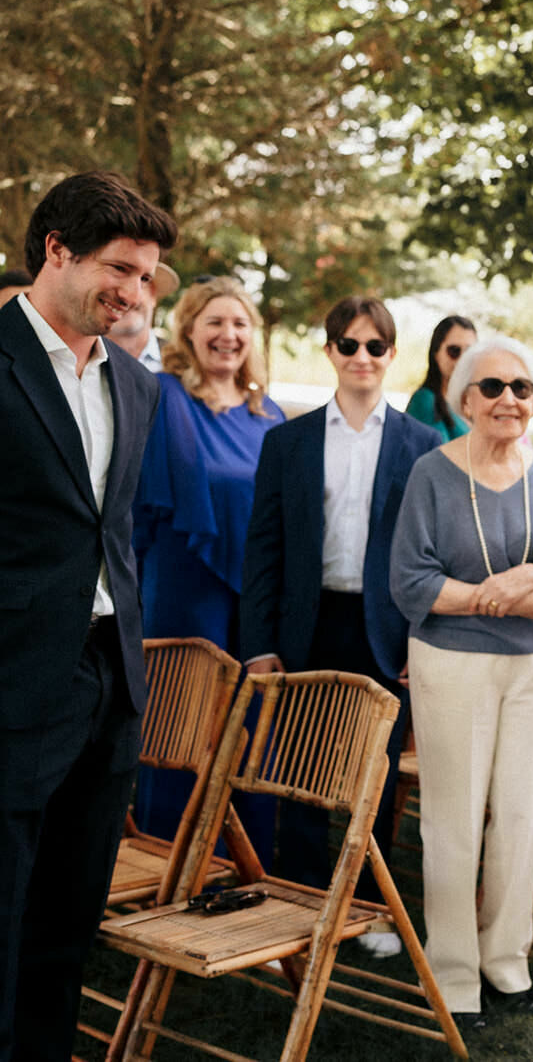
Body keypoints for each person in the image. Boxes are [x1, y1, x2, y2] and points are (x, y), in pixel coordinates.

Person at [0, 169, 177, 1060]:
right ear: (55, 250)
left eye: (146, 277)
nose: (134, 292)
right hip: (12, 683)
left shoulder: (136, 385)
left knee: (67, 924)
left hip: (110, 685)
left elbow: (115, 533)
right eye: (119, 267)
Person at [390, 334, 533, 1026]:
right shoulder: (432, 471)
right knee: (453, 819)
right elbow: (410, 580)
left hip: (531, 664)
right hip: (451, 659)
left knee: (517, 815)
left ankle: (506, 961)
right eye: (492, 387)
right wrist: (495, 596)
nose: (508, 398)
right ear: (465, 399)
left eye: (521, 387)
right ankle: (452, 975)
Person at [241, 295, 441, 957]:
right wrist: (261, 644)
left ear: (390, 355)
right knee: (297, 766)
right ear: (329, 351)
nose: (362, 357)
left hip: (384, 626)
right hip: (307, 621)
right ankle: (296, 901)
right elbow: (263, 548)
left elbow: (432, 552)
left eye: (375, 346)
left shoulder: (422, 444)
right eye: (349, 345)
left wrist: (421, 636)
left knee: (373, 773)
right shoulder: (287, 440)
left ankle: (368, 907)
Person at [131, 276, 285, 847]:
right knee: (181, 719)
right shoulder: (162, 394)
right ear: (189, 330)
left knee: (248, 728)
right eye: (215, 322)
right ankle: (162, 859)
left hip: (255, 594)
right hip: (181, 583)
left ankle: (239, 866)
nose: (228, 335)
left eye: (240, 323)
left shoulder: (267, 415)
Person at [406, 314, 476, 441]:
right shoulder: (425, 401)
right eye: (454, 351)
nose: (462, 359)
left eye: (469, 352)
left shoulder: (476, 402)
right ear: (436, 354)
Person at [106, 261, 179, 372]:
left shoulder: (183, 363)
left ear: (153, 294)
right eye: (115, 286)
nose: (128, 297)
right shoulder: (80, 360)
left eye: (142, 281)